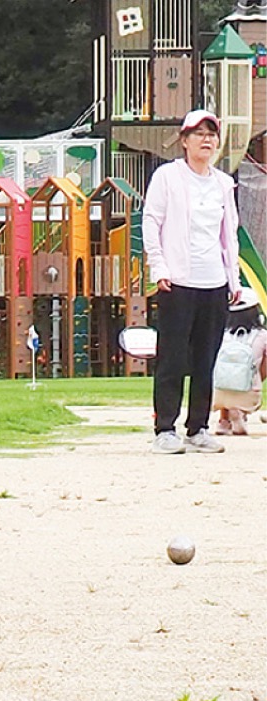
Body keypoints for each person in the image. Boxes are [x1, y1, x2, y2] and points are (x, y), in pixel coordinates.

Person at [143, 109, 243, 455]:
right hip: (177, 281)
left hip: (213, 281)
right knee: (172, 356)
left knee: (206, 358)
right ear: (184, 141)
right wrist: (159, 267)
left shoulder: (222, 183)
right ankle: (164, 428)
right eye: (198, 134)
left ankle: (198, 426)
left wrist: (234, 278)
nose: (206, 140)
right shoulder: (168, 177)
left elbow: (228, 233)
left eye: (211, 134)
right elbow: (151, 222)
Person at [213, 294, 266, 435]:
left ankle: (223, 420)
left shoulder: (221, 334)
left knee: (225, 377)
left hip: (217, 394)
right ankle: (240, 412)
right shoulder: (262, 335)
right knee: (248, 376)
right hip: (248, 394)